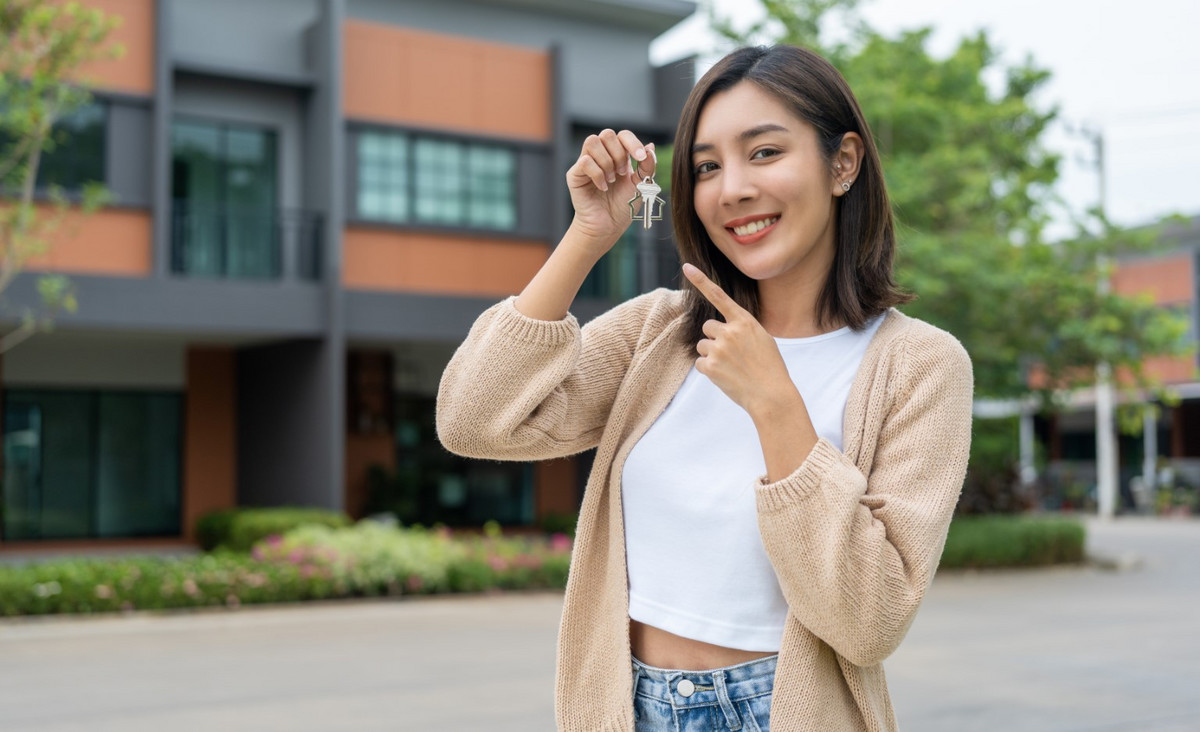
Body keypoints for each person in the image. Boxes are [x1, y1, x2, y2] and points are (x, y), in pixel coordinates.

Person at [437, 44, 973, 732]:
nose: (733, 189)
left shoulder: (920, 365)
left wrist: (776, 406)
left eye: (765, 153)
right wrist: (588, 235)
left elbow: (870, 623)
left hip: (780, 709)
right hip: (628, 707)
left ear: (843, 164)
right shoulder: (659, 332)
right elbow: (472, 420)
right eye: (707, 167)